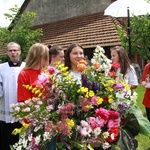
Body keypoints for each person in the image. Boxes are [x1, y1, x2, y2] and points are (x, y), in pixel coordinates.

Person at [17, 43, 56, 150]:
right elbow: (24, 100)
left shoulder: (47, 73)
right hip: (34, 120)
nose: (47, 60)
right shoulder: (24, 74)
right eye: (45, 57)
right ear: (37, 56)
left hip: (50, 118)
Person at [0, 42, 25, 150]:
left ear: (20, 52)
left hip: (23, 105)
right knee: (5, 139)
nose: (13, 52)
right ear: (7, 53)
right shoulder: (1, 67)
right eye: (10, 50)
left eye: (15, 50)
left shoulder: (26, 66)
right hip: (6, 105)